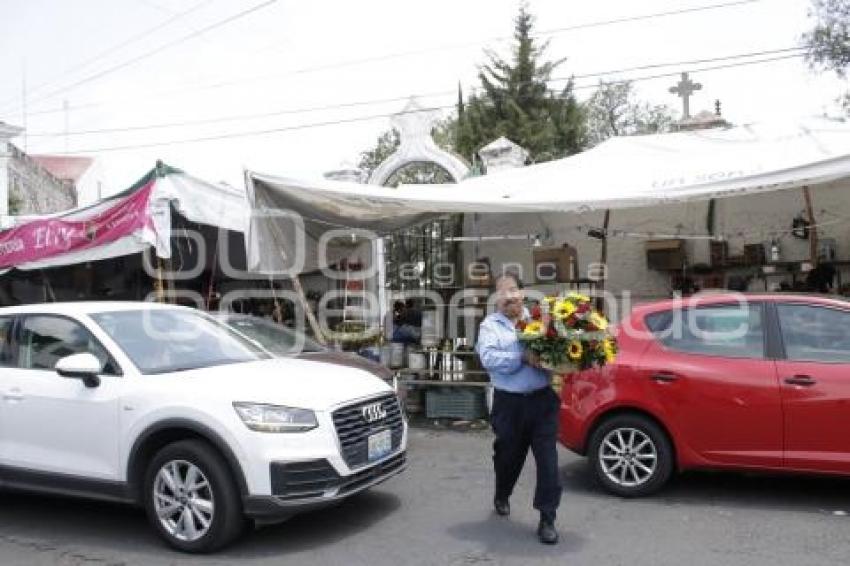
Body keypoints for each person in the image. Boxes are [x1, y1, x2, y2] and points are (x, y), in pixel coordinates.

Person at [474, 273, 561, 545]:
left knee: (548, 462)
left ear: (522, 292)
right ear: (497, 299)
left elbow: (558, 349)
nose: (509, 296)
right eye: (502, 292)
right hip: (509, 404)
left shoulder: (539, 319)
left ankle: (547, 518)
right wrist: (521, 356)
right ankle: (503, 493)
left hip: (542, 401)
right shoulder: (490, 326)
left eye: (513, 289)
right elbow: (488, 358)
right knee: (507, 457)